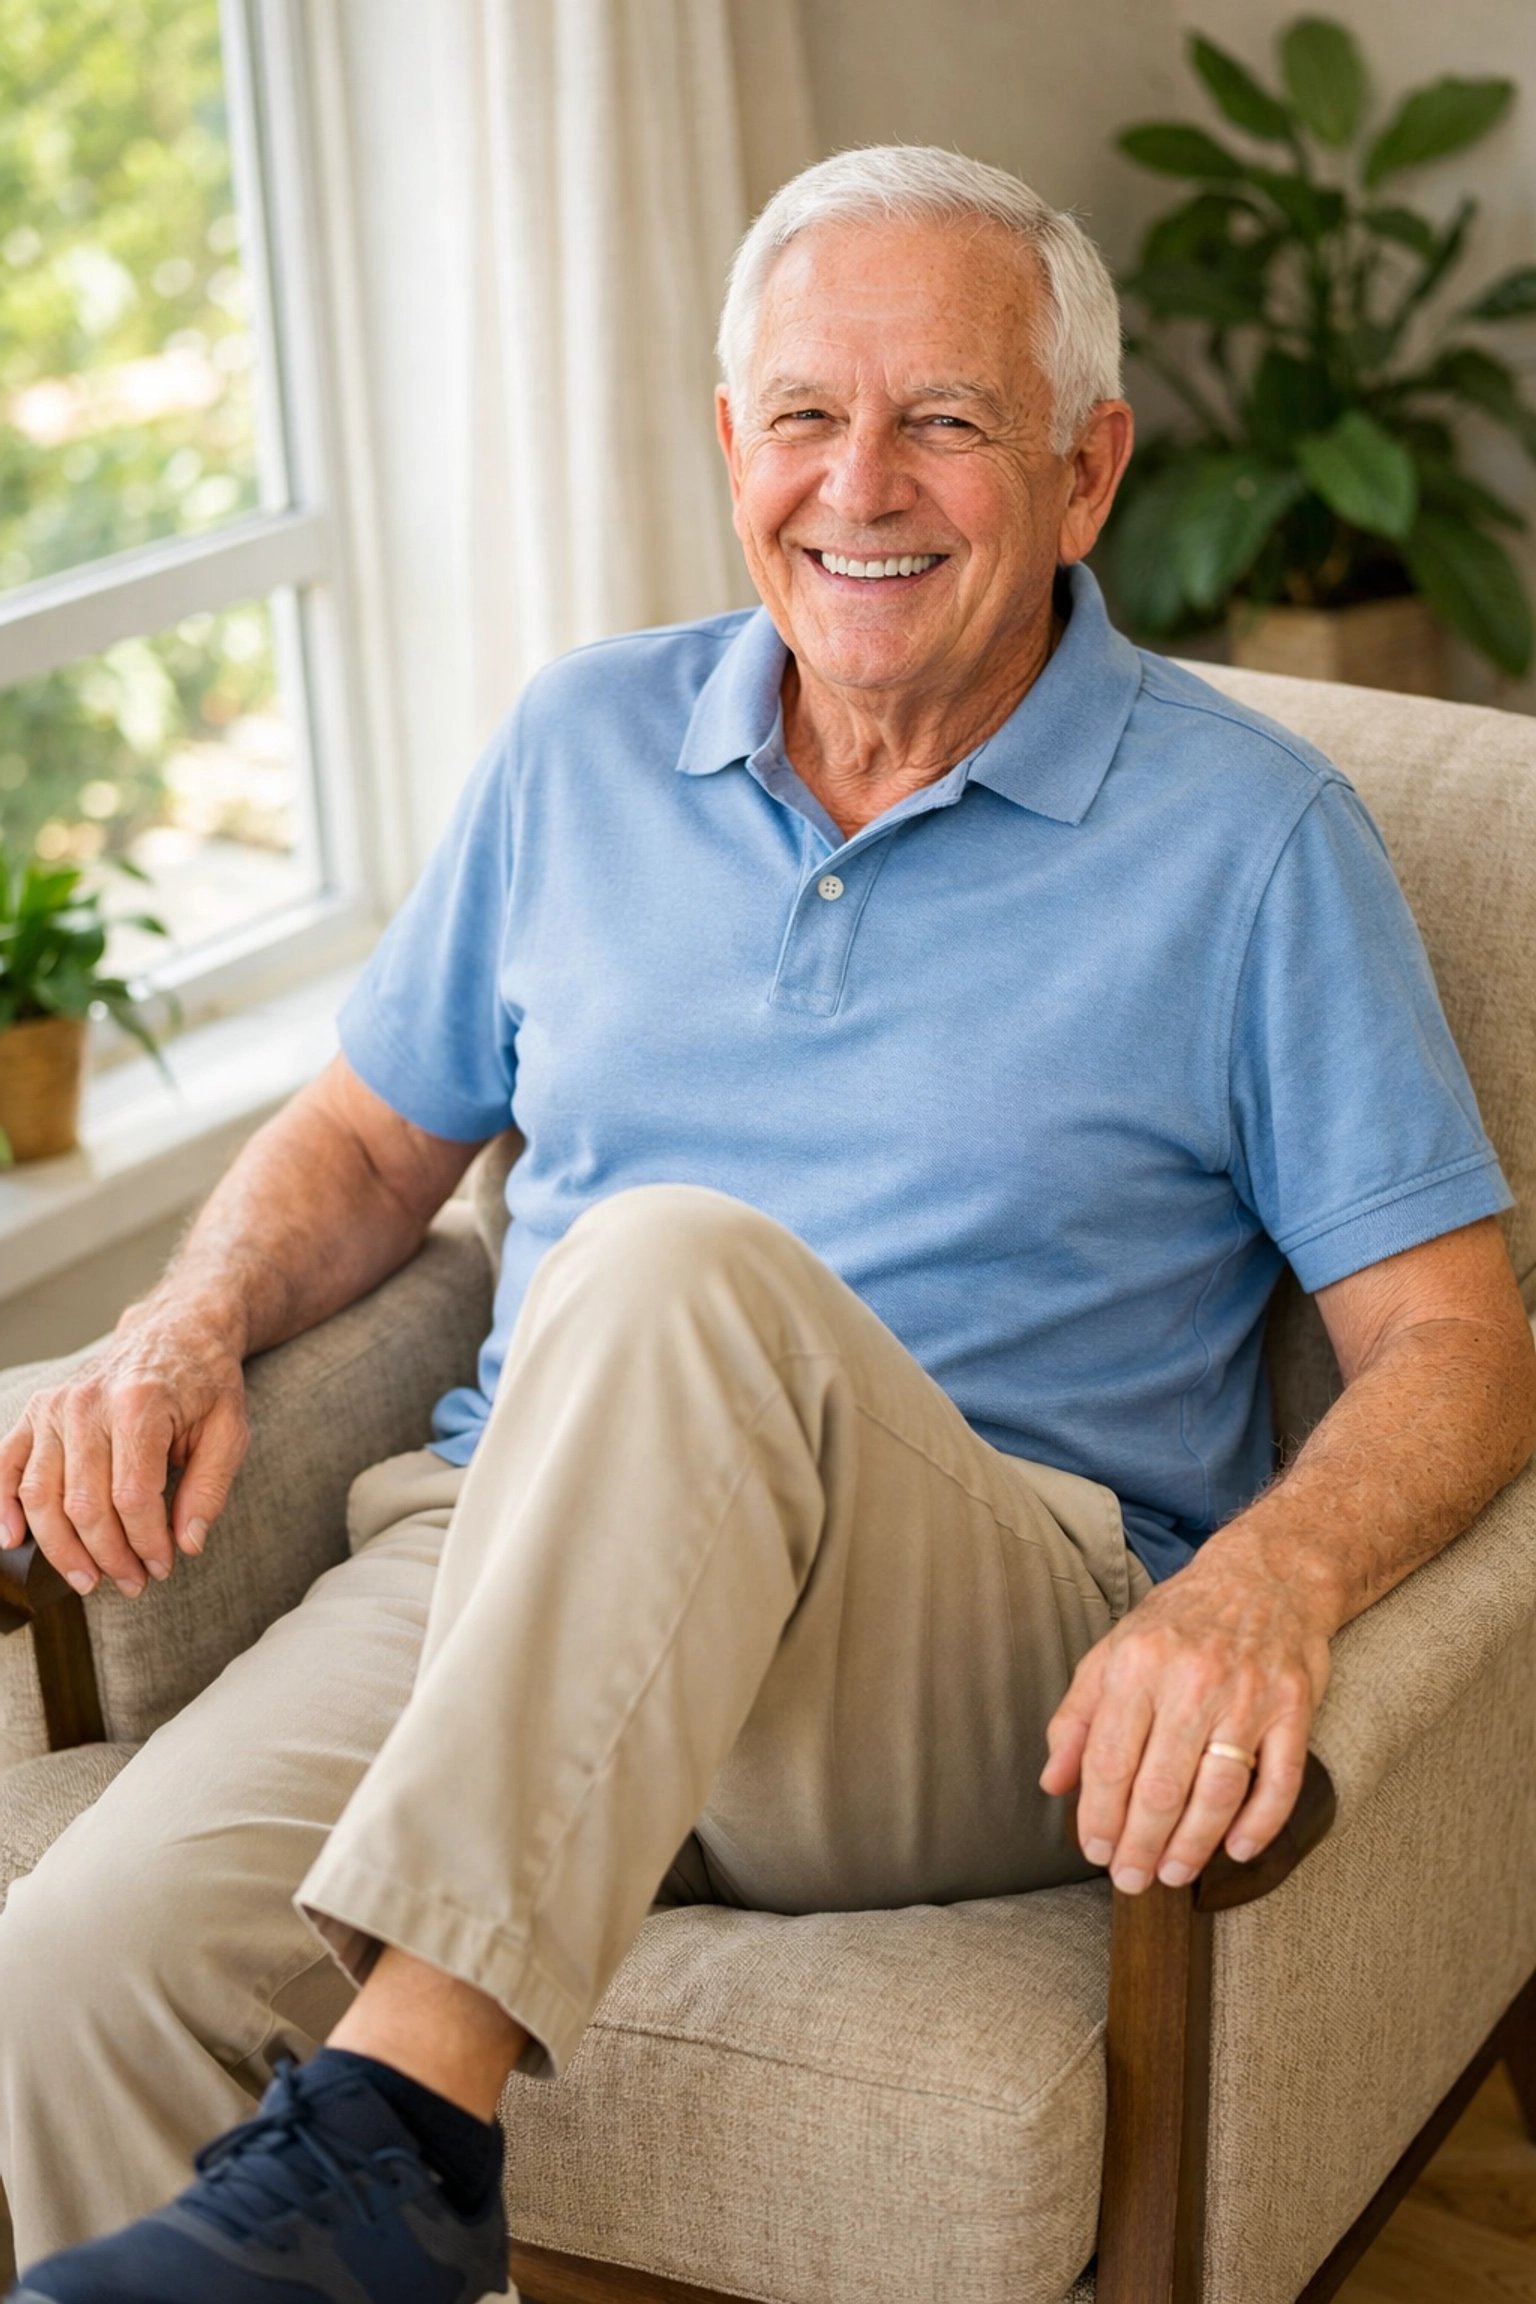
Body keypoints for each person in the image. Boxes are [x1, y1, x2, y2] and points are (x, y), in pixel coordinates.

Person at [2, 145, 1533, 2304]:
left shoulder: (1256, 844)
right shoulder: (579, 743)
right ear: (734, 443)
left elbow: (1460, 1345)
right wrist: (175, 1327)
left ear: (1088, 471)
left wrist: (1270, 1582)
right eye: (806, 416)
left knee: (663, 1261)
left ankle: (399, 2117)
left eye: (946, 421)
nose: (860, 484)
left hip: (958, 1640)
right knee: (85, 1954)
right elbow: (364, 1148)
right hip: (507, 1545)